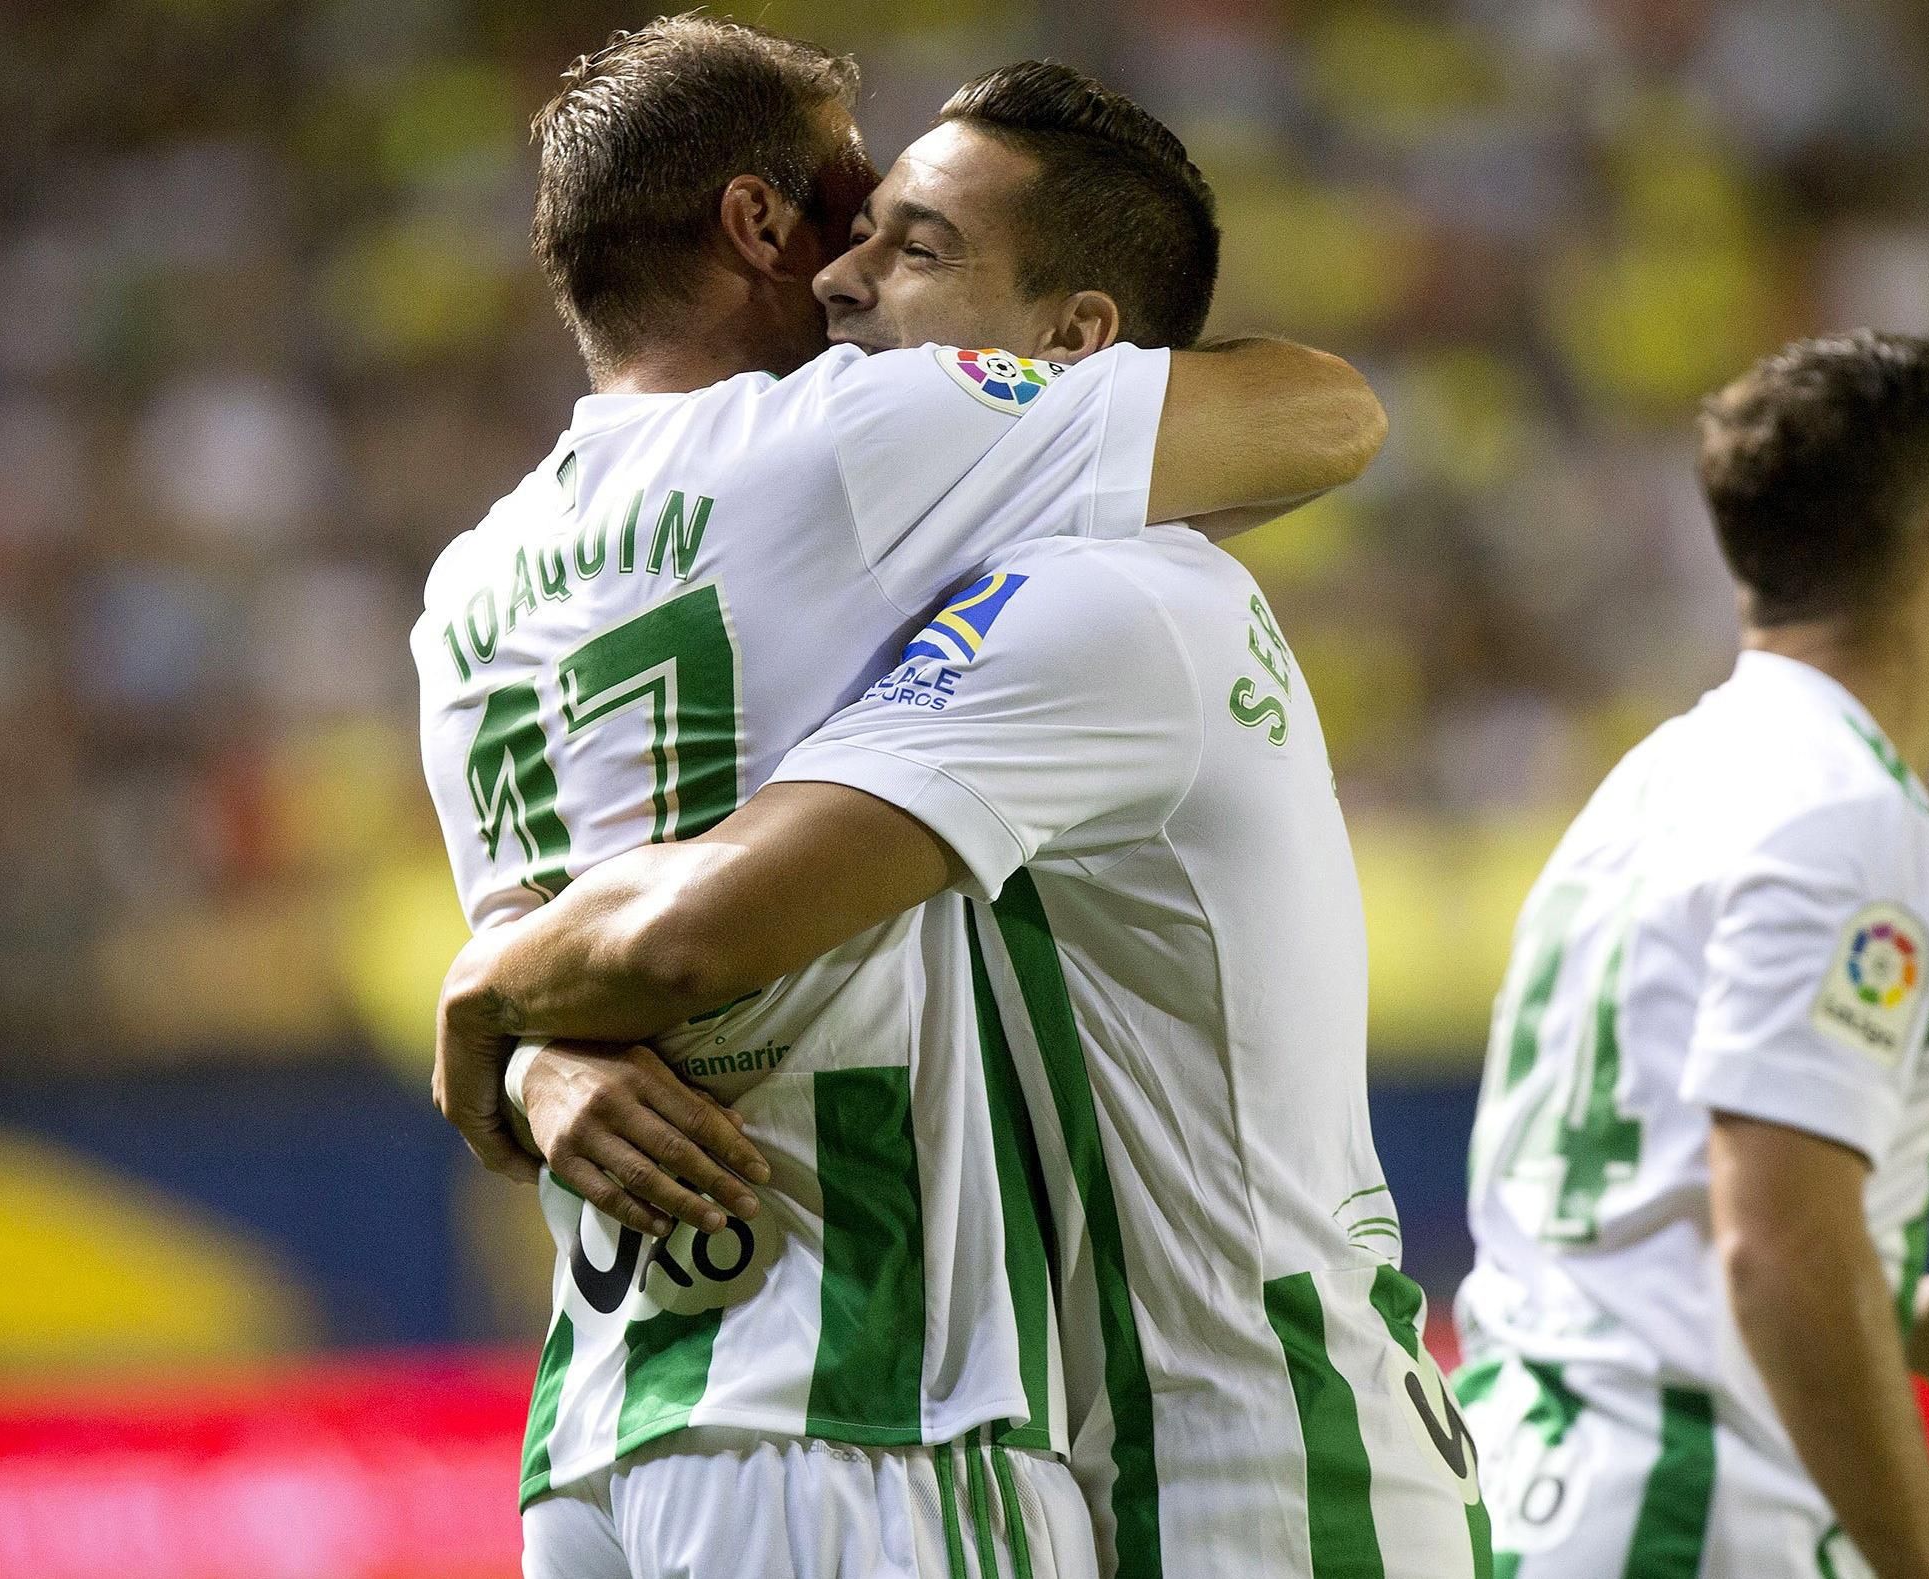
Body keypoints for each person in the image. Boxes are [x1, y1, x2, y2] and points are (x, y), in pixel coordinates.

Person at [438, 61, 1493, 1579]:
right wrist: (530, 1035)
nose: (847, 278)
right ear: (753, 225)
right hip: (923, 1418)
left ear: (1074, 348)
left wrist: (498, 1008)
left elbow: (674, 928)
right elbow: (1323, 409)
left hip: (1249, 1462)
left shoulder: (470, 589)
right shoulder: (872, 476)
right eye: (848, 217)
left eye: (913, 244)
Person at [1446, 332, 1929, 1579]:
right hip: (1688, 1520)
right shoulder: (1851, 821)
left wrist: (1890, 1308)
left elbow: (1641, 1205)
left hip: (1526, 1495)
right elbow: (1780, 1247)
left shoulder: (1646, 790)